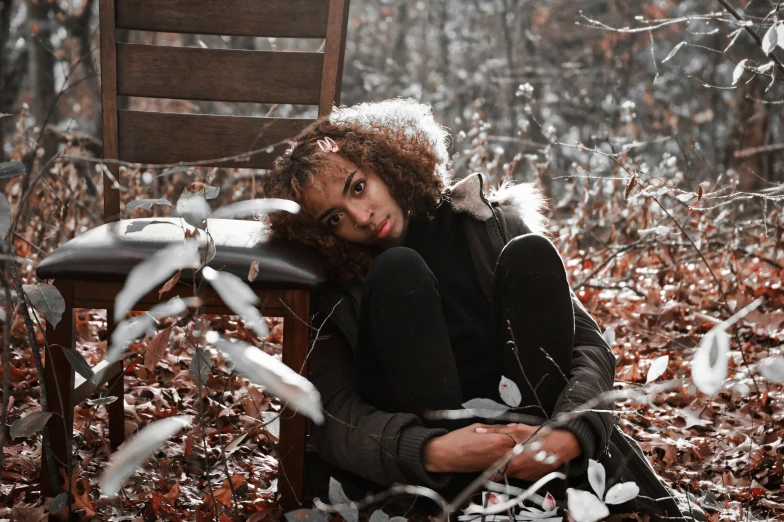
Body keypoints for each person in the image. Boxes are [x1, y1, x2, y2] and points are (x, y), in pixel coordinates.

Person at [261, 99, 704, 521]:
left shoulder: (488, 226)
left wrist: (570, 435)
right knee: (399, 269)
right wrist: (432, 451)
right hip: (435, 470)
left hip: (532, 445)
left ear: (384, 161)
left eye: (358, 187)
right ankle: (470, 500)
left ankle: (535, 490)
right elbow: (332, 414)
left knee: (531, 253)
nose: (359, 216)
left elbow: (589, 347)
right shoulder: (337, 286)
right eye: (334, 219)